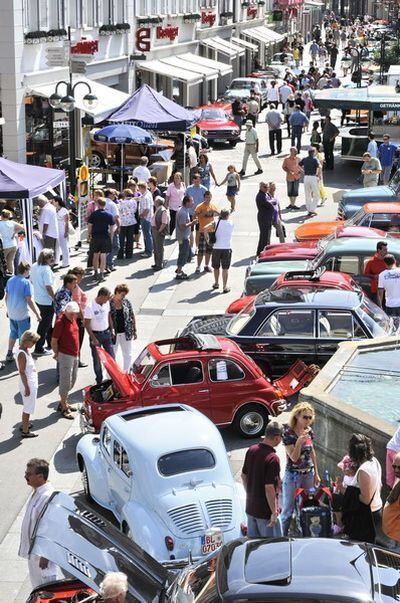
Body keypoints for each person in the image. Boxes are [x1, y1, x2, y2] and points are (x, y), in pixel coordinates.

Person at [281, 402, 320, 536]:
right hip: (293, 475)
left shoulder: (309, 431)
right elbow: (294, 458)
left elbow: (312, 452)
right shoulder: (288, 432)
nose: (308, 421)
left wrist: (316, 474)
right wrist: (298, 443)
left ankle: (306, 533)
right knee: (287, 510)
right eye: (305, 417)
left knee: (307, 505)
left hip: (309, 474)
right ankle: (282, 537)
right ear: (297, 416)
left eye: (310, 418)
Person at [18, 459, 58, 587]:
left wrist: (46, 555)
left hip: (42, 558)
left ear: (40, 476)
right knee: (37, 589)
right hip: (34, 554)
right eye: (26, 473)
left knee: (47, 590)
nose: (25, 476)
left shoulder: (48, 496)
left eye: (29, 474)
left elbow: (53, 528)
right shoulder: (38, 492)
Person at [241, 421, 284, 538]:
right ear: (276, 437)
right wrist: (274, 513)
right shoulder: (272, 459)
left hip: (250, 508)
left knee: (253, 548)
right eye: (281, 436)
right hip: (265, 513)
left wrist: (251, 493)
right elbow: (269, 488)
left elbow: (243, 476)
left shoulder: (251, 450)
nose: (281, 440)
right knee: (270, 548)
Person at [346, 433, 383, 539]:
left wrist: (348, 493)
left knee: (361, 546)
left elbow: (365, 499)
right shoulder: (374, 461)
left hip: (366, 515)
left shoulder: (364, 471)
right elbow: (380, 485)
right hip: (377, 509)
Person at [5, 261, 41, 363]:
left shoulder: (10, 280)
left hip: (12, 314)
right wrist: (37, 314)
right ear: (25, 271)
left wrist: (8, 310)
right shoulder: (26, 283)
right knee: (24, 336)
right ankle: (23, 357)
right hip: (22, 315)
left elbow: (6, 297)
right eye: (29, 270)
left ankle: (9, 353)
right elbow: (29, 300)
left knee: (13, 333)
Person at [51, 301, 80, 419]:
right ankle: (64, 407)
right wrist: (57, 354)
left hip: (75, 354)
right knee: (65, 381)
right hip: (65, 355)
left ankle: (64, 401)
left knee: (73, 379)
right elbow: (54, 341)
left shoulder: (72, 318)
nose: (74, 316)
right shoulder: (60, 322)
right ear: (66, 312)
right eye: (72, 314)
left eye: (75, 314)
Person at [84, 287, 115, 385]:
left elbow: (108, 316)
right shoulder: (90, 307)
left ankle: (113, 378)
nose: (108, 300)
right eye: (107, 298)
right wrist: (93, 338)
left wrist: (112, 329)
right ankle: (99, 380)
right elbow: (87, 324)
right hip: (96, 336)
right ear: (101, 296)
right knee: (97, 360)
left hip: (107, 334)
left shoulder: (107, 304)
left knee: (111, 358)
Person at [30, 249, 56, 357]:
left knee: (47, 323)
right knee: (44, 325)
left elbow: (31, 280)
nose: (53, 259)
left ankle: (50, 343)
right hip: (46, 300)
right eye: (51, 257)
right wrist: (55, 298)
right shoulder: (46, 269)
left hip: (38, 299)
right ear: (47, 258)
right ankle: (39, 348)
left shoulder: (35, 265)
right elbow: (48, 286)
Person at [17, 330, 40, 437]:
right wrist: (27, 387)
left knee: (28, 406)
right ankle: (25, 431)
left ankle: (25, 424)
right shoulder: (22, 354)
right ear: (27, 341)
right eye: (33, 342)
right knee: (28, 408)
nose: (34, 344)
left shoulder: (25, 349)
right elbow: (22, 372)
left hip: (30, 382)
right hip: (28, 384)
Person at [110, 283, 137, 372]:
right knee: (112, 354)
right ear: (117, 292)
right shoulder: (109, 303)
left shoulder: (126, 302)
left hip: (126, 331)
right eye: (122, 295)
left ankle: (127, 372)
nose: (123, 297)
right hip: (114, 334)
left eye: (125, 295)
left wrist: (134, 329)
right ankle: (112, 374)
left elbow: (131, 315)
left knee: (128, 354)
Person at [87, 197, 114, 283]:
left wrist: (89, 235)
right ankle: (101, 274)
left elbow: (90, 225)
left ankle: (95, 272)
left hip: (95, 237)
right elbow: (112, 228)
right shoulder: (109, 215)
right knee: (103, 256)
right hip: (105, 237)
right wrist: (111, 237)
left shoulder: (93, 214)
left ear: (98, 205)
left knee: (95, 255)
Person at [208, 209, 233, 293]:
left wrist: (208, 240)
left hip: (216, 248)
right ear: (228, 215)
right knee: (225, 268)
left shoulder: (216, 222)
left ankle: (216, 283)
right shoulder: (231, 223)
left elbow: (205, 228)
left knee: (216, 267)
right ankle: (225, 286)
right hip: (226, 248)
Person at [194, 191, 220, 273]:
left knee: (209, 250)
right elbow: (195, 216)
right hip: (202, 231)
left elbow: (219, 214)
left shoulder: (213, 206)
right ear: (204, 197)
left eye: (209, 197)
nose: (208, 199)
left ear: (211, 197)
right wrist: (203, 213)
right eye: (206, 197)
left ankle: (206, 265)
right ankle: (198, 266)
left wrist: (214, 213)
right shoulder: (200, 206)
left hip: (211, 231)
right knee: (201, 250)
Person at [68, 266, 88, 368]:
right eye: (81, 276)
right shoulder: (75, 289)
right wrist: (84, 319)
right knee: (78, 341)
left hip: (74, 318)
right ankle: (77, 360)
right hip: (78, 318)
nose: (82, 278)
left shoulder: (74, 286)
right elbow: (78, 305)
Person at [176, 196, 197, 280]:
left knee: (187, 254)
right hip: (182, 238)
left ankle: (179, 268)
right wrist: (192, 223)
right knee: (183, 254)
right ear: (187, 202)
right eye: (192, 201)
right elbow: (182, 226)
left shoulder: (184, 210)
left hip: (184, 237)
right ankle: (179, 273)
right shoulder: (183, 213)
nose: (193, 203)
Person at [186, 173, 206, 251]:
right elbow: (185, 200)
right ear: (193, 181)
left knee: (198, 231)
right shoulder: (189, 189)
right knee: (190, 231)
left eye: (199, 181)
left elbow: (206, 201)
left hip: (199, 214)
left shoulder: (204, 189)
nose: (197, 182)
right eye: (196, 181)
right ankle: (191, 247)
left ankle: (197, 247)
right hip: (190, 213)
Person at [382, 455, 400, 546]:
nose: (396, 470)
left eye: (399, 467)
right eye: (394, 466)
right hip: (393, 535)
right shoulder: (398, 479)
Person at [299, 147, 321, 217]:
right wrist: (317, 175)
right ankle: (312, 209)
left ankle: (309, 209)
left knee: (307, 194)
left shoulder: (305, 159)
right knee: (316, 194)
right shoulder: (315, 159)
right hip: (313, 177)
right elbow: (319, 167)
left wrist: (303, 171)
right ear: (313, 153)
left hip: (306, 177)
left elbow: (299, 165)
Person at [0, 209, 24, 274]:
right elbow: (23, 227)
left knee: (2, 264)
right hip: (13, 244)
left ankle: (4, 279)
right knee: (10, 262)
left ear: (1, 216)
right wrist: (14, 232)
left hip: (4, 245)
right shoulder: (12, 222)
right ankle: (11, 277)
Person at [117, 189, 138, 260]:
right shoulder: (134, 202)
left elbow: (118, 210)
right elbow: (135, 210)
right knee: (130, 239)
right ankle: (129, 254)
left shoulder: (121, 202)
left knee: (121, 239)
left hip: (122, 222)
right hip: (131, 221)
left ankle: (120, 255)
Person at [104, 189, 121, 273]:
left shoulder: (102, 203)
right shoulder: (112, 204)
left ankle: (106, 262)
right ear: (109, 194)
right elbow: (116, 217)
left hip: (103, 228)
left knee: (107, 247)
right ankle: (109, 263)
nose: (115, 195)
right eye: (114, 194)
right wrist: (118, 226)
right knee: (115, 246)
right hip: (111, 229)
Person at [151, 197, 170, 271]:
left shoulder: (163, 210)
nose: (154, 202)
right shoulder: (159, 209)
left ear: (157, 202)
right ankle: (157, 263)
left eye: (155, 201)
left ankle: (159, 264)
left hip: (158, 231)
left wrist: (159, 231)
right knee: (156, 248)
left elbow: (164, 223)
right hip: (155, 229)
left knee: (159, 248)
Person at [256, 182, 274, 255]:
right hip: (264, 218)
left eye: (267, 187)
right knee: (265, 236)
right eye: (265, 187)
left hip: (268, 217)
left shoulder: (266, 194)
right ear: (260, 187)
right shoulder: (261, 196)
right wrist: (272, 202)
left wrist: (272, 201)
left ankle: (260, 251)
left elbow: (273, 200)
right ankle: (263, 252)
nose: (267, 188)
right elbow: (270, 205)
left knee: (266, 235)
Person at [166, 171, 186, 236]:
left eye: (178, 178)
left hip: (181, 206)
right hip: (173, 206)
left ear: (180, 179)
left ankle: (179, 234)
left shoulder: (183, 184)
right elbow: (167, 196)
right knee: (173, 220)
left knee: (181, 221)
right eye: (175, 178)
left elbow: (185, 194)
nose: (176, 179)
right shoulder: (170, 186)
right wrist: (166, 204)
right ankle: (171, 234)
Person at [282, 146, 302, 211]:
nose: (296, 152)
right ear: (291, 152)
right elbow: (284, 167)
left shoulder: (298, 159)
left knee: (295, 191)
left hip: (297, 177)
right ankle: (292, 204)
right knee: (290, 191)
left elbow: (301, 166)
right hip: (289, 177)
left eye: (296, 151)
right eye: (295, 151)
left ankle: (292, 204)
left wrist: (301, 172)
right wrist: (289, 171)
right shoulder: (286, 159)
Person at [53, 196, 70, 268]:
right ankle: (56, 261)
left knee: (64, 246)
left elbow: (67, 222)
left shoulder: (64, 210)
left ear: (57, 201)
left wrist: (66, 232)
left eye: (53, 201)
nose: (52, 202)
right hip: (56, 230)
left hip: (62, 230)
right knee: (56, 246)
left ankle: (66, 262)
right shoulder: (54, 209)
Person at [138, 181, 154, 258]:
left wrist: (142, 215)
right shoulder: (148, 193)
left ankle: (148, 251)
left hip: (146, 218)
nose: (138, 190)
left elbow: (147, 209)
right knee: (149, 234)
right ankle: (150, 248)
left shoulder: (145, 197)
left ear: (142, 188)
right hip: (149, 218)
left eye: (139, 188)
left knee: (147, 235)